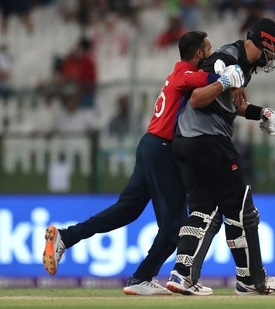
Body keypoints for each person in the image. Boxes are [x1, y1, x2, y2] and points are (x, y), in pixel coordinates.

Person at [42, 31, 246, 295]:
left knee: (125, 211)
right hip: (162, 149)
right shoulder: (184, 74)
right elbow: (205, 78)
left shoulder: (177, 75)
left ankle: (66, 237)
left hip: (150, 145)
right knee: (175, 227)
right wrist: (225, 75)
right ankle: (142, 277)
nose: (211, 54)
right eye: (208, 50)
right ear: (199, 54)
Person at [166, 17, 275, 296]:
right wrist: (224, 82)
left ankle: (182, 274)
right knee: (240, 206)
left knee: (205, 209)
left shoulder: (240, 65)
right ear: (266, 42)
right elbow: (198, 98)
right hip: (208, 142)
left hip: (186, 142)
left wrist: (264, 114)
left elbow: (232, 106)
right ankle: (252, 280)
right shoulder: (226, 58)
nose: (274, 57)